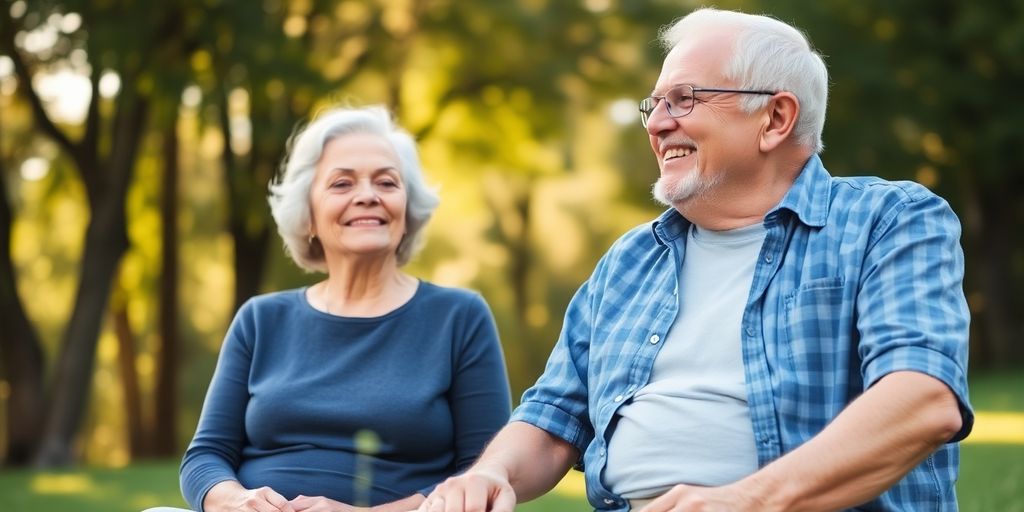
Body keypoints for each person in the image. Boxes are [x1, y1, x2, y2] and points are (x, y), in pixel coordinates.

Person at [418, 8, 972, 512]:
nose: (658, 124)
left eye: (685, 99)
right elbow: (554, 416)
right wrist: (492, 473)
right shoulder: (630, 261)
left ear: (775, 119)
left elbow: (923, 400)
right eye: (654, 104)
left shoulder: (887, 219)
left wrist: (747, 501)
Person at [147, 105, 511, 512]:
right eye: (342, 184)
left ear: (407, 212)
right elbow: (205, 456)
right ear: (308, 217)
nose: (368, 195)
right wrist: (236, 501)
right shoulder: (260, 319)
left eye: (387, 182)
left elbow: (481, 476)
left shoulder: (459, 317)